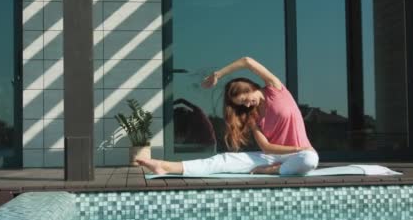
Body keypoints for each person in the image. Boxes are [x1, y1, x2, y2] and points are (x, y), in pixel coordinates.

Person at [137, 56, 319, 176]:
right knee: (222, 160)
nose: (247, 105)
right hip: (276, 155)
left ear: (251, 87)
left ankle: (271, 171)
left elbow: (247, 61)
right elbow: (266, 147)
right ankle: (166, 166)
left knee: (311, 159)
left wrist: (218, 74)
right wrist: (297, 147)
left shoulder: (276, 89)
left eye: (245, 99)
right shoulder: (253, 116)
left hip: (300, 155)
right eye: (242, 104)